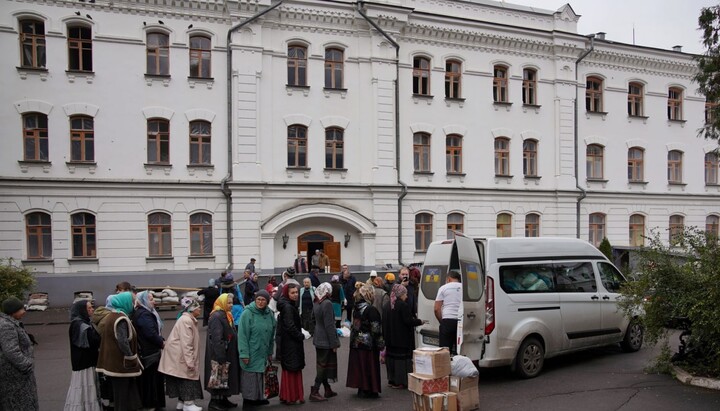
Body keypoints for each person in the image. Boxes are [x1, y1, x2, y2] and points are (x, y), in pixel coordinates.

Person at [96, 292, 143, 411]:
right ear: (125, 303)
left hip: (114, 363)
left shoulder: (113, 315)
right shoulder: (120, 318)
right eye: (132, 302)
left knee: (125, 394)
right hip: (120, 365)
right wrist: (130, 356)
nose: (133, 305)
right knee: (122, 396)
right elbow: (122, 341)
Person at [159, 297, 204, 411]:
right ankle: (188, 404)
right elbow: (186, 343)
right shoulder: (186, 321)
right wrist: (190, 361)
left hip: (177, 355)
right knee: (186, 377)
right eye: (198, 307)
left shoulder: (187, 319)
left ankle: (181, 402)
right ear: (192, 309)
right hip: (179, 355)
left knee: (180, 377)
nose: (200, 309)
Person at [238, 290, 276, 407]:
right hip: (251, 350)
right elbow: (242, 335)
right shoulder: (247, 313)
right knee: (250, 378)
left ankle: (258, 398)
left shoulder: (269, 313)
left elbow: (271, 334)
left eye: (263, 300)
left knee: (261, 375)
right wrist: (244, 354)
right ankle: (248, 402)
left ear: (267, 301)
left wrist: (270, 351)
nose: (260, 302)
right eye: (258, 299)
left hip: (262, 351)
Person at [0, 296, 39, 411]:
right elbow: (11, 351)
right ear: (13, 311)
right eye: (21, 309)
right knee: (19, 404)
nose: (24, 311)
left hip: (17, 375)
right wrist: (27, 365)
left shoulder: (10, 323)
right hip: (15, 376)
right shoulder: (6, 326)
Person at [346, 284, 384, 399]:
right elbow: (376, 329)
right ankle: (371, 389)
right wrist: (381, 344)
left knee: (360, 367)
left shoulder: (356, 307)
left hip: (356, 342)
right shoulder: (371, 309)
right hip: (368, 344)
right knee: (370, 367)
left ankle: (362, 389)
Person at [64, 299, 102, 411]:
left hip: (86, 362)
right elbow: (91, 341)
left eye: (91, 307)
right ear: (82, 310)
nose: (92, 309)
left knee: (88, 388)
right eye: (89, 308)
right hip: (83, 364)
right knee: (84, 387)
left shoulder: (82, 322)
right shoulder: (79, 325)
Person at [382, 284, 423, 389]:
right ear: (400, 294)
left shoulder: (387, 305)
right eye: (405, 294)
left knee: (391, 358)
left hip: (390, 338)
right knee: (401, 360)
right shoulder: (402, 305)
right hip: (401, 338)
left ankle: (392, 380)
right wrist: (420, 321)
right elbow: (408, 321)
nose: (407, 296)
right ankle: (401, 381)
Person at [204, 293, 240, 410]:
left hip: (227, 351)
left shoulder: (226, 314)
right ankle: (214, 402)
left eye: (232, 302)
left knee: (224, 377)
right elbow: (216, 337)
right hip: (219, 353)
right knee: (217, 376)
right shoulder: (216, 316)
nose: (231, 305)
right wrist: (220, 355)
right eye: (229, 303)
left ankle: (223, 399)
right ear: (223, 302)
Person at [131, 290, 166, 410]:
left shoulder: (144, 312)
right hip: (149, 353)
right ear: (144, 301)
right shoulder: (144, 314)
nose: (154, 301)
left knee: (151, 379)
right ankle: (151, 404)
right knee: (151, 380)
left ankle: (152, 403)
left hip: (149, 351)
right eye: (150, 299)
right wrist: (161, 342)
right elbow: (150, 333)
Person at [276, 283, 306, 405]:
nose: (295, 295)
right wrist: (301, 336)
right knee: (292, 369)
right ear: (287, 294)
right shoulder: (288, 307)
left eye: (296, 292)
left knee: (290, 369)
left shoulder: (287, 305)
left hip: (288, 342)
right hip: (291, 343)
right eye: (292, 293)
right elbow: (290, 326)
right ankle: (291, 396)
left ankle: (288, 395)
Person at [309, 283, 340, 402]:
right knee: (323, 365)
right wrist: (334, 343)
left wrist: (317, 330)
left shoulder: (316, 301)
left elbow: (313, 319)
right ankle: (315, 390)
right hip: (326, 340)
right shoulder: (327, 303)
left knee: (323, 364)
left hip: (318, 337)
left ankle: (327, 389)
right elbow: (329, 325)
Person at [434, 270, 462, 355]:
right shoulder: (464, 287)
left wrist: (442, 322)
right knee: (459, 349)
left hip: (447, 320)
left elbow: (436, 309)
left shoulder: (443, 288)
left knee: (444, 351)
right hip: (461, 321)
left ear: (449, 279)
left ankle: (446, 367)